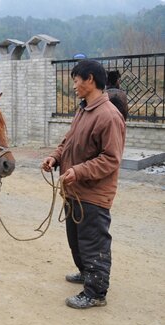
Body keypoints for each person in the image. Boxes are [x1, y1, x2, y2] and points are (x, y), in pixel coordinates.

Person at [42, 60, 126, 309]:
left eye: (77, 80)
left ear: (90, 79)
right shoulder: (84, 110)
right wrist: (55, 157)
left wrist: (77, 171)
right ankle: (86, 272)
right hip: (75, 190)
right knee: (76, 239)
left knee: (92, 241)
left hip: (93, 193)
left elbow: (111, 159)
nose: (74, 85)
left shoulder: (109, 115)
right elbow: (69, 140)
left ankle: (96, 292)